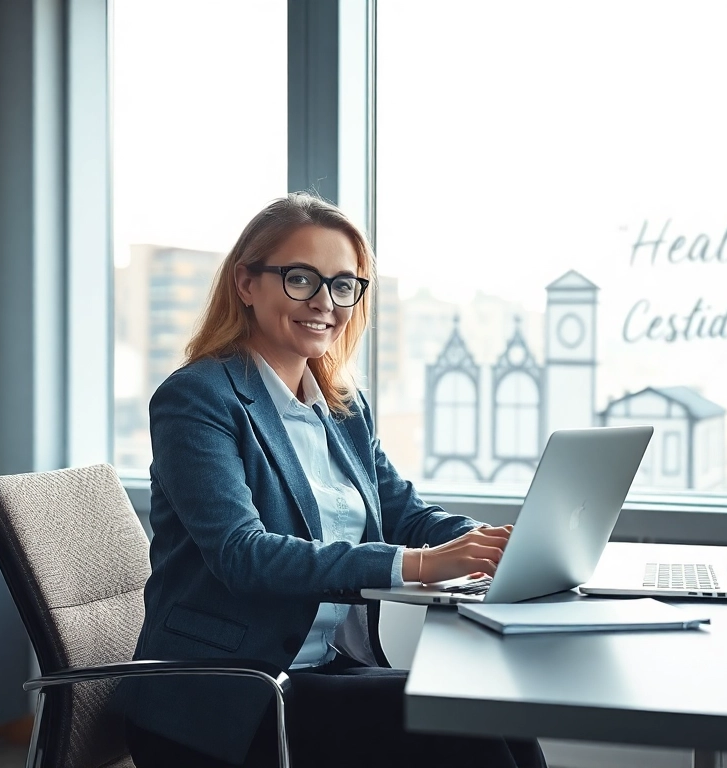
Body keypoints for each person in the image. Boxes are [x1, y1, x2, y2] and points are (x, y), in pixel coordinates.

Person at [121, 193, 546, 768]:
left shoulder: (344, 408)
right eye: (301, 279)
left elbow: (408, 516)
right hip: (232, 695)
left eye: (344, 285)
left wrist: (489, 543)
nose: (325, 302)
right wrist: (419, 564)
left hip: (321, 672)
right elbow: (244, 555)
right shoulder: (198, 398)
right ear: (246, 283)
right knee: (464, 724)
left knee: (496, 712)